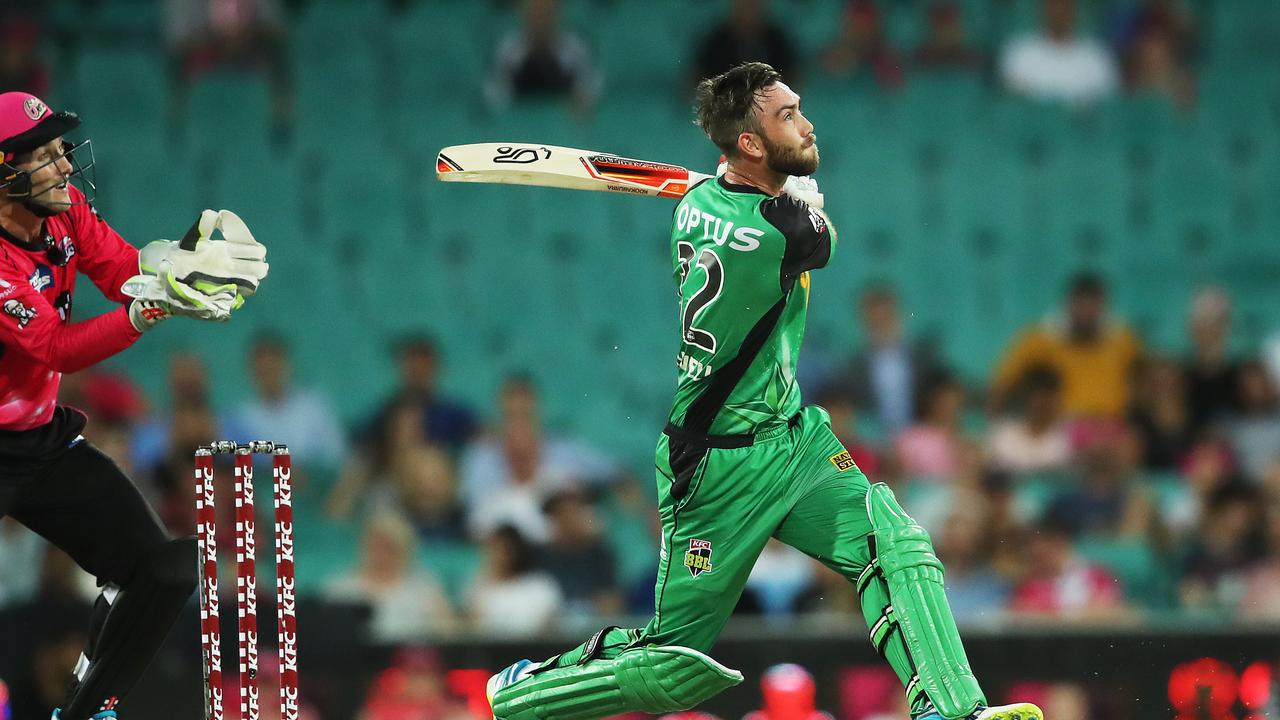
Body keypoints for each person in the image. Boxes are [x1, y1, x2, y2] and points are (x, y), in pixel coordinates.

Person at [483, 63, 1040, 720]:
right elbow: (818, 239)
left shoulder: (698, 203)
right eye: (787, 117)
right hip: (717, 467)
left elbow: (773, 213)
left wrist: (790, 193)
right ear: (748, 143)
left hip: (789, 438)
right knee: (672, 665)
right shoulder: (779, 231)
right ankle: (521, 694)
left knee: (895, 544)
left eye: (800, 108)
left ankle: (951, 712)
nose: (806, 124)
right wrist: (803, 200)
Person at [0, 91, 268, 720]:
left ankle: (89, 712)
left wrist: (182, 266)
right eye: (41, 155)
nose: (63, 165)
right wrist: (150, 310)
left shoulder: (64, 215)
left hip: (38, 445)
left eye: (59, 149)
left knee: (166, 570)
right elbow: (55, 349)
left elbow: (120, 267)